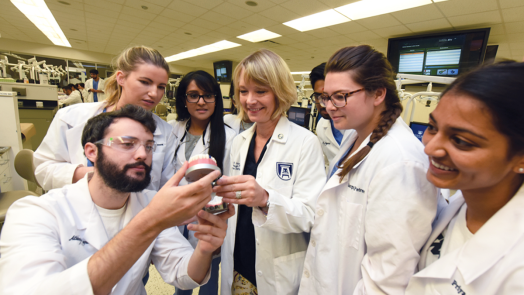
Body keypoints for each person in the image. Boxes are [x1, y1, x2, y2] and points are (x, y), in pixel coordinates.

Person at [0, 105, 234, 294]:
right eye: (128, 143)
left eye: (149, 146)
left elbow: (182, 274)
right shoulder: (34, 212)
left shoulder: (149, 201)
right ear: (92, 152)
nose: (143, 154)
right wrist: (152, 220)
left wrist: (205, 248)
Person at [298, 45, 439, 294]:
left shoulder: (400, 162)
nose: (329, 106)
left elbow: (388, 279)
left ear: (378, 94)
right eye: (325, 97)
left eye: (340, 96)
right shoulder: (355, 135)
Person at [213, 49, 326, 294]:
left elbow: (310, 215)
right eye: (243, 91)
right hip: (237, 263)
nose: (250, 100)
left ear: (280, 91)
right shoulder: (239, 142)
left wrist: (265, 199)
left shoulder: (306, 143)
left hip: (277, 271)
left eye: (261, 91)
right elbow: (235, 202)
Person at [405, 62, 524, 294]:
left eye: (461, 141)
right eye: (432, 127)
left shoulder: (517, 273)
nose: (430, 149)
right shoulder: (463, 201)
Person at [34, 46, 176, 191]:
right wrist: (94, 174)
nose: (154, 93)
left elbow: (166, 187)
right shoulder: (70, 117)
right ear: (121, 78)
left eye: (161, 87)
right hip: (77, 209)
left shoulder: (166, 132)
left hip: (138, 212)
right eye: (145, 82)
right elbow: (42, 169)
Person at [168, 70, 236, 295]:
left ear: (216, 99)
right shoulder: (175, 129)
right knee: (181, 278)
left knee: (208, 280)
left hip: (211, 218)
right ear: (183, 100)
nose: (201, 102)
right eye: (193, 95)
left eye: (208, 95)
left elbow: (229, 182)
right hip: (178, 215)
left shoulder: (229, 136)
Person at [309, 62, 349, 167]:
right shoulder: (321, 126)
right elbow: (327, 163)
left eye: (335, 96)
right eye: (319, 96)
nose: (325, 104)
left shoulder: (361, 127)